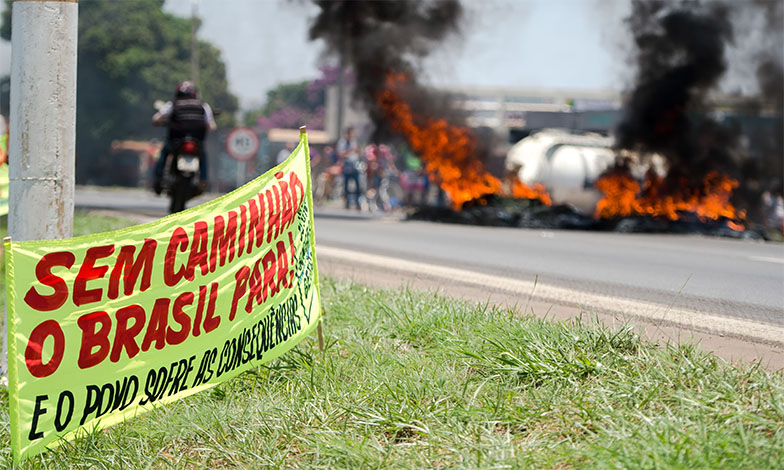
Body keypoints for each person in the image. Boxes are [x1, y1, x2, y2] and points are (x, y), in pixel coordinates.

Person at [152, 81, 217, 194]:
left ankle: (158, 178)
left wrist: (160, 122)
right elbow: (212, 126)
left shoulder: (172, 104)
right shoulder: (203, 106)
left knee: (165, 152)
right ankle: (203, 180)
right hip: (196, 141)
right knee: (203, 155)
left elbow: (156, 118)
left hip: (176, 141)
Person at [337, 127, 362, 209]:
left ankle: (358, 202)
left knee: (358, 184)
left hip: (355, 165)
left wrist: (358, 150)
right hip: (347, 165)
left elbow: (360, 152)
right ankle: (347, 203)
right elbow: (340, 154)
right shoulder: (343, 142)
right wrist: (350, 150)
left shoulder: (354, 142)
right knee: (346, 185)